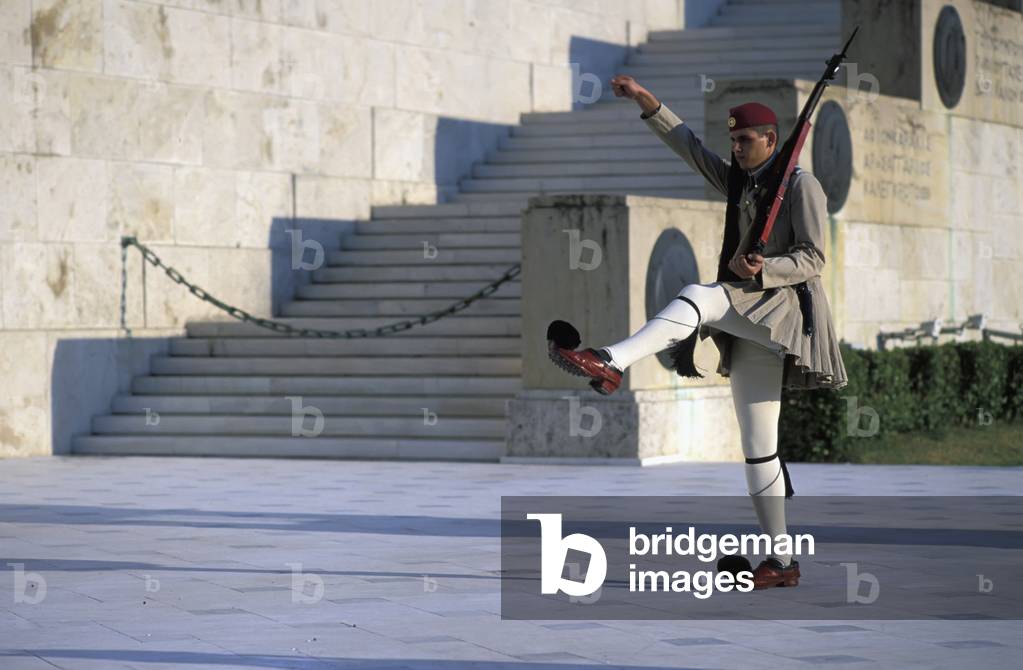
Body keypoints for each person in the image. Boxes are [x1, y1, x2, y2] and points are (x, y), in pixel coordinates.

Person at [546, 74, 849, 590]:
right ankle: (781, 562)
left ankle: (611, 361)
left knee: (700, 295)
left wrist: (764, 268)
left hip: (781, 314)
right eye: (732, 140)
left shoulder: (802, 185)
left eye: (744, 140)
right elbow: (689, 147)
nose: (735, 148)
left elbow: (815, 257)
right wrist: (648, 101)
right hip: (748, 319)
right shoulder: (738, 180)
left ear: (771, 141)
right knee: (758, 448)